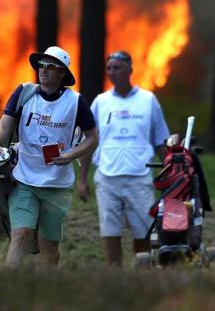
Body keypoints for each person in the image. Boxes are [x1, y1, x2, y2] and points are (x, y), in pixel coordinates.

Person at [0, 46, 99, 266]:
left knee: (49, 249)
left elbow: (93, 138)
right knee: (21, 235)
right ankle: (7, 290)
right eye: (41, 66)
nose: (43, 70)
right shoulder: (24, 93)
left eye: (50, 67)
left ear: (62, 73)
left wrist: (71, 155)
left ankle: (50, 288)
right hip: (23, 179)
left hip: (57, 185)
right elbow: (3, 125)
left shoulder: (76, 102)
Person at [78, 50, 170, 267]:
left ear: (130, 69)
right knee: (110, 230)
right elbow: (89, 142)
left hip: (139, 177)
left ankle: (143, 271)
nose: (113, 72)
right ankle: (115, 274)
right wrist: (82, 180)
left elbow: (160, 141)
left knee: (143, 231)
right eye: (109, 68)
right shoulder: (101, 102)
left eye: (117, 67)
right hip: (107, 177)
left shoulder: (148, 100)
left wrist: (171, 175)